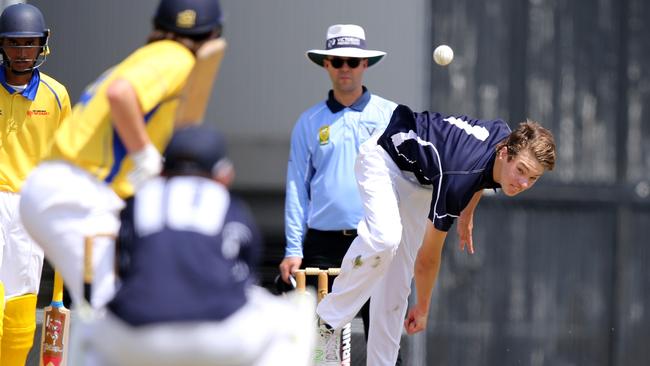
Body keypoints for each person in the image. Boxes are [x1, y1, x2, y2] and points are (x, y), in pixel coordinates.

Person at [19, 0, 223, 311]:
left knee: (114, 305)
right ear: (213, 33)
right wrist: (145, 156)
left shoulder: (148, 56)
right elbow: (121, 94)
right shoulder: (176, 57)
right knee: (118, 308)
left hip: (71, 189)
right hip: (77, 190)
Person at [316, 104, 557, 365]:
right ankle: (325, 324)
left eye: (532, 178)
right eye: (521, 170)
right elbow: (428, 258)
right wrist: (423, 307)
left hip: (422, 183)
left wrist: (468, 211)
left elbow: (483, 173)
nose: (523, 184)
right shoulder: (458, 178)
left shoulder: (507, 137)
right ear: (504, 152)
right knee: (385, 240)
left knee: (397, 285)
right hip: (385, 157)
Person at [74, 125, 315, 366]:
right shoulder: (229, 205)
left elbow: (120, 270)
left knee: (86, 326)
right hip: (217, 335)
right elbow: (243, 275)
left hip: (134, 335)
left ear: (161, 171)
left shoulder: (137, 201)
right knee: (297, 312)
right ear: (224, 174)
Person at [277, 24, 401, 364]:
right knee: (321, 344)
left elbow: (409, 181)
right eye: (337, 60)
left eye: (352, 61)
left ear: (365, 65)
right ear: (326, 65)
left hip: (376, 239)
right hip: (324, 246)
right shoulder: (309, 121)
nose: (345, 68)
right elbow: (296, 187)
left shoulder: (389, 115)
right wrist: (292, 247)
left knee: (384, 339)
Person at [0, 3, 71, 364]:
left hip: (30, 207)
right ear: (2, 46)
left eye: (29, 43)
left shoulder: (56, 95)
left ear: (42, 44)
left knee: (20, 306)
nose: (23, 52)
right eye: (14, 43)